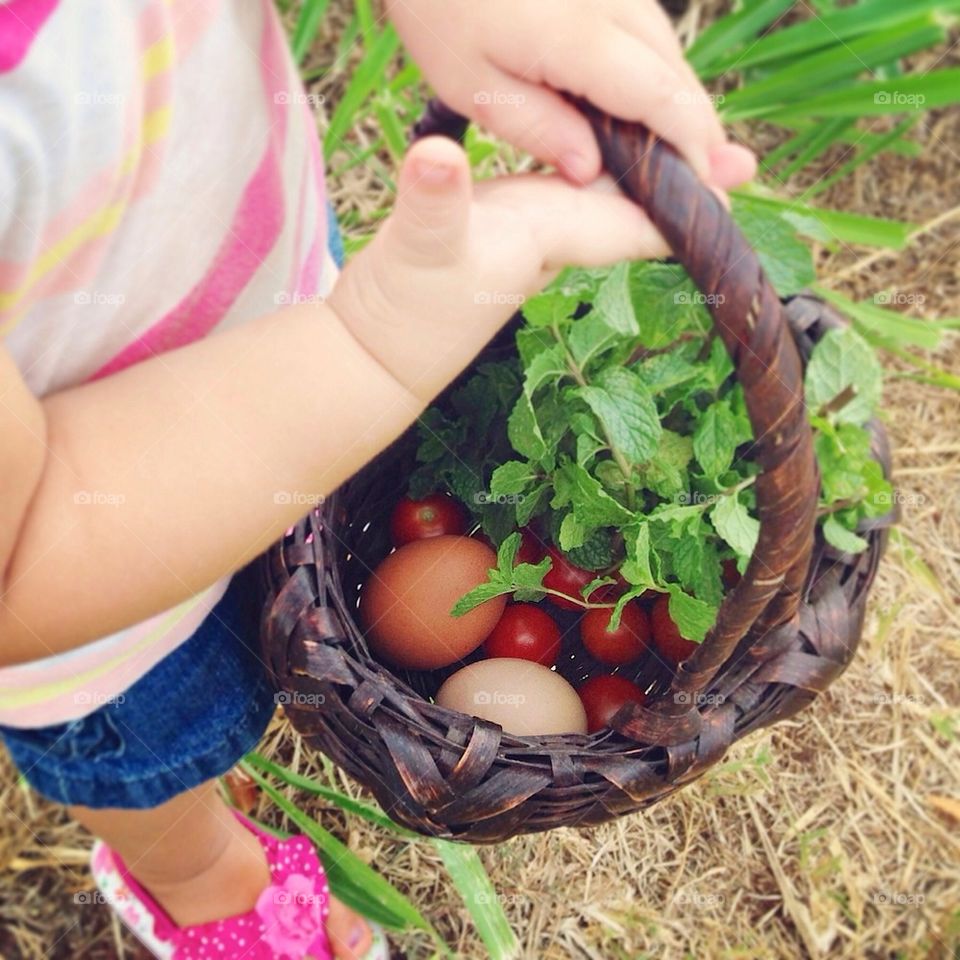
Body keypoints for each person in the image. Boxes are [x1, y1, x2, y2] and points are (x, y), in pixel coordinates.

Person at [0, 1, 755, 957]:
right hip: (106, 633)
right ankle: (201, 884)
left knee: (267, 639)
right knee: (154, 764)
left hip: (273, 315)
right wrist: (367, 345)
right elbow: (18, 554)